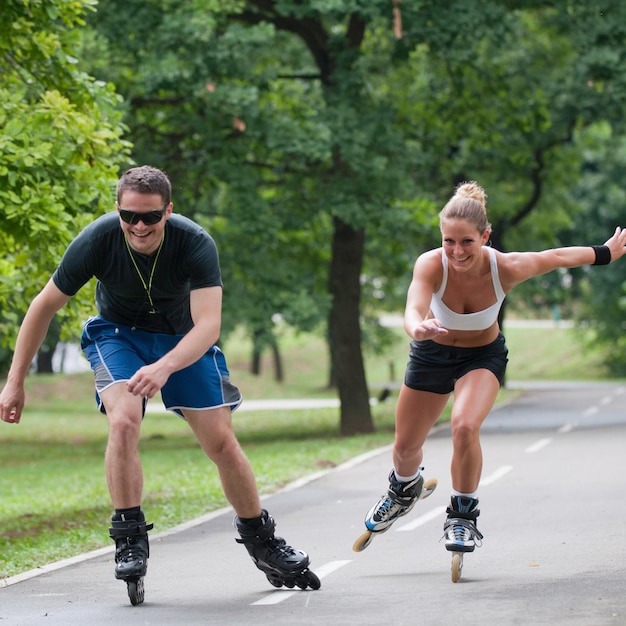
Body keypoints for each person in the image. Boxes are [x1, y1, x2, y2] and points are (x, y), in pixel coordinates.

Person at [0, 165, 319, 600]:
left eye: (150, 216)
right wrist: (15, 382)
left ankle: (263, 541)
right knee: (125, 420)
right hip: (117, 336)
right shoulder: (98, 240)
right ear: (118, 210)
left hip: (183, 341)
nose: (139, 226)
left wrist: (166, 365)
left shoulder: (194, 243)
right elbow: (43, 306)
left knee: (221, 442)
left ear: (168, 211)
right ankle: (129, 536)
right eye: (130, 216)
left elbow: (208, 325)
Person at [360, 181, 626, 558]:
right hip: (430, 354)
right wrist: (416, 327)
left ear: (486, 236)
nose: (456, 251)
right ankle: (404, 488)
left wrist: (605, 252)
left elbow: (557, 256)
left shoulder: (507, 267)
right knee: (405, 448)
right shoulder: (431, 264)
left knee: (465, 426)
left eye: (467, 241)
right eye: (449, 241)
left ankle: (462, 515)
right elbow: (413, 306)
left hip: (481, 357)